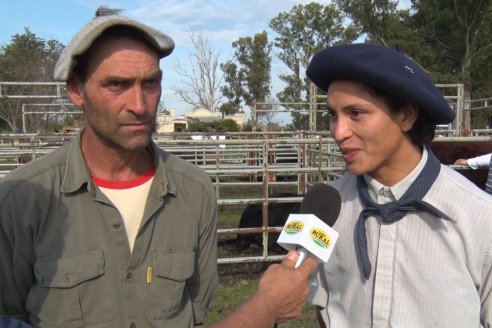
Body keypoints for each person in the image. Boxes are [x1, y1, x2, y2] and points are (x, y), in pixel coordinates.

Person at [0, 8, 318, 328]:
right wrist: (267, 306)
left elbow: (197, 305)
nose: (139, 105)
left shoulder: (194, 192)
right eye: (116, 85)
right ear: (75, 90)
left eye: (150, 83)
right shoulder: (21, 200)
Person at [305, 43, 492, 327]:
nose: (338, 132)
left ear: (406, 115)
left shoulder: (480, 218)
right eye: (333, 115)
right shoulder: (326, 208)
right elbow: (323, 307)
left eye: (356, 113)